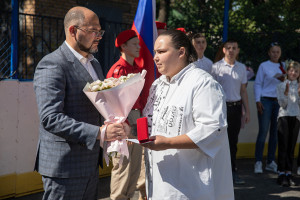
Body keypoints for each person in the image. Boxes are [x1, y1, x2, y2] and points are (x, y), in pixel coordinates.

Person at [33, 6, 130, 200]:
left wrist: (115, 122)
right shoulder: (53, 64)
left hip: (90, 164)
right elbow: (50, 118)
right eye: (93, 30)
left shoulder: (94, 63)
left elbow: (98, 106)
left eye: (100, 31)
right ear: (72, 31)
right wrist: (99, 133)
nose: (99, 36)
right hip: (64, 167)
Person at [141, 30, 234, 200]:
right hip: (159, 182)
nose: (155, 57)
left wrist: (168, 142)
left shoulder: (202, 83)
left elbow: (212, 130)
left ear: (181, 52)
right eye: (155, 52)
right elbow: (150, 122)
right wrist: (130, 131)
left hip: (189, 185)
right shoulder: (158, 84)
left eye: (161, 52)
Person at [106, 29, 146, 200]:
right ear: (123, 46)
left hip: (138, 118)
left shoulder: (137, 68)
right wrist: (123, 125)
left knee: (135, 168)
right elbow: (112, 102)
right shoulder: (118, 70)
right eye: (134, 44)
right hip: (125, 120)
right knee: (122, 167)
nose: (139, 47)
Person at [211, 39, 250, 185]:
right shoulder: (216, 68)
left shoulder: (241, 68)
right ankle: (218, 173)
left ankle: (233, 172)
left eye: (234, 48)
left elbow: (243, 90)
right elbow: (212, 91)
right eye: (228, 48)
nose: (231, 50)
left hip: (236, 108)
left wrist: (247, 111)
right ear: (223, 50)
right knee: (220, 140)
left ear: (238, 50)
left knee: (233, 142)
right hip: (221, 108)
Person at [254, 42, 285, 174]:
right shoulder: (263, 65)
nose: (275, 54)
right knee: (263, 132)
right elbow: (258, 84)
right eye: (273, 51)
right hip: (265, 100)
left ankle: (271, 161)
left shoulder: (283, 66)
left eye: (277, 52)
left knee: (275, 133)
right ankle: (258, 161)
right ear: (269, 53)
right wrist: (258, 100)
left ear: (280, 53)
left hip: (278, 101)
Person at [276, 61, 300, 187]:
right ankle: (281, 173)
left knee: (291, 146)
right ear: (287, 71)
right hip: (284, 117)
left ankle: (289, 172)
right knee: (283, 146)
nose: (293, 73)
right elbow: (282, 104)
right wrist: (286, 93)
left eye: (296, 71)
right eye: (291, 70)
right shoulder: (281, 85)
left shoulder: (299, 86)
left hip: (295, 117)